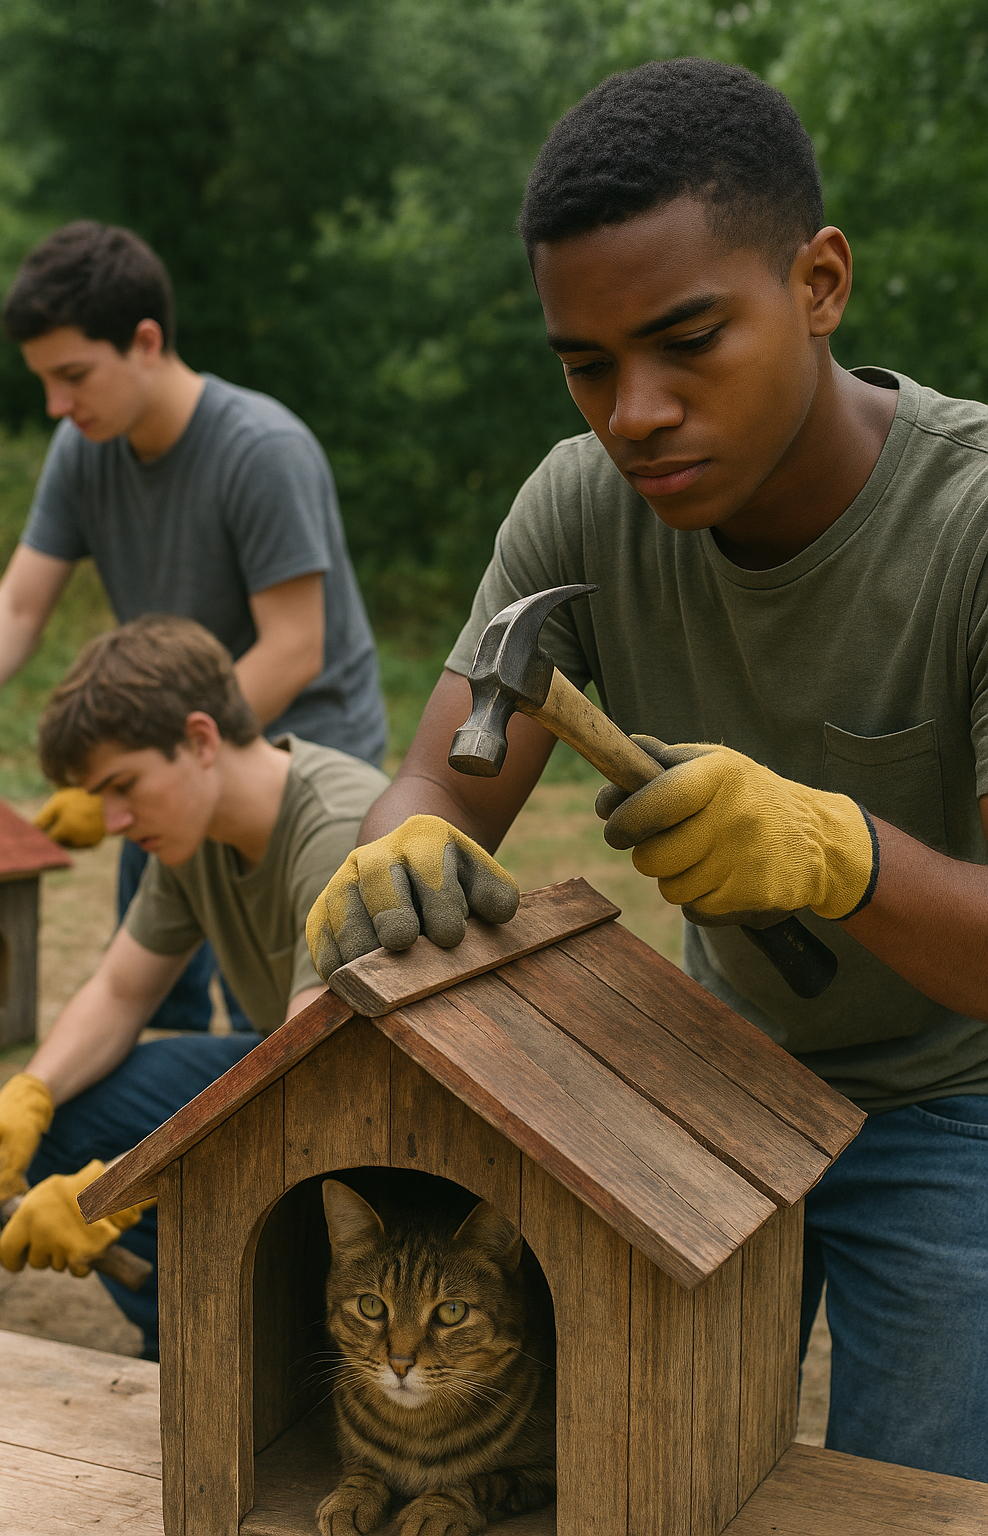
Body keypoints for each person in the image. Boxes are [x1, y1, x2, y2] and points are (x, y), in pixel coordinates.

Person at [306, 60, 988, 1481]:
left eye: (687, 341)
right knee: (639, 1475)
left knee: (922, 1495)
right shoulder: (581, 504)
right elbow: (438, 783)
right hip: (712, 1074)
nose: (635, 412)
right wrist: (401, 847)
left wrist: (836, 854)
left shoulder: (970, 527)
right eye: (588, 363)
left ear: (819, 283)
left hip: (956, 1092)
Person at [0, 220, 385, 1031]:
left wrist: (144, 759)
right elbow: (19, 606)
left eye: (74, 375)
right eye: (44, 381)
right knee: (151, 997)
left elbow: (296, 649)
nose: (57, 403)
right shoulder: (83, 450)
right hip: (162, 749)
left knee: (277, 1018)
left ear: (146, 341)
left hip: (293, 759)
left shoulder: (260, 450)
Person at [0, 616, 388, 1360]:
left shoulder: (338, 827)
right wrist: (25, 1095)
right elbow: (123, 990)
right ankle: (193, 1341)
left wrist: (115, 1192)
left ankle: (255, 1362)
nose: (115, 820)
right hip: (294, 1075)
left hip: (391, 1128)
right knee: (67, 1116)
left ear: (199, 739)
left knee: (155, 1154)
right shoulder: (196, 832)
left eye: (122, 786)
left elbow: (306, 1081)